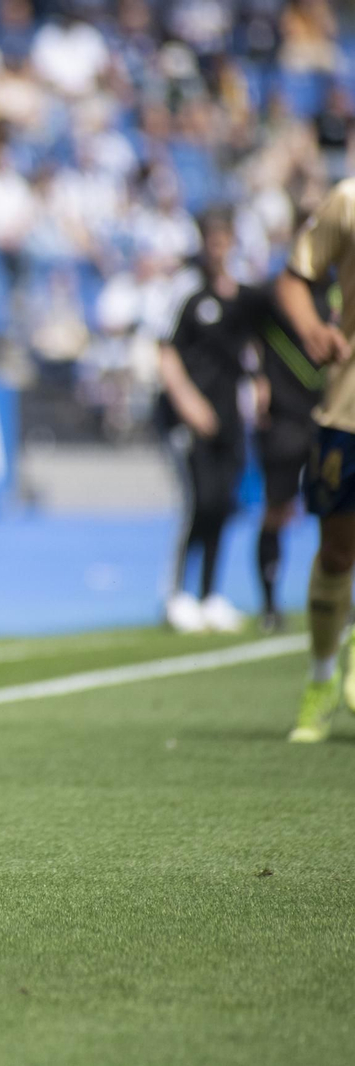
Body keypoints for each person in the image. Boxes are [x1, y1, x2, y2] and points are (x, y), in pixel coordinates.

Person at [157, 210, 268, 634]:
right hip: (192, 413)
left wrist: (258, 385)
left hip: (229, 412)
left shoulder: (242, 293)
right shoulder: (186, 290)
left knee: (223, 503)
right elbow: (166, 350)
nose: (219, 249)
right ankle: (178, 594)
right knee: (199, 502)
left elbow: (252, 347)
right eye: (212, 240)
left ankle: (210, 594)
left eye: (225, 240)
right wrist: (188, 402)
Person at [275, 178, 355, 742]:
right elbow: (294, 278)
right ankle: (322, 679)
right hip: (348, 409)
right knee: (337, 552)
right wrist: (310, 328)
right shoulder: (348, 201)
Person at [251, 275, 334, 633]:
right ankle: (270, 605)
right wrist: (255, 376)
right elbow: (240, 324)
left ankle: (337, 600)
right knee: (277, 510)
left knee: (339, 515)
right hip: (284, 420)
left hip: (331, 417)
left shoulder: (339, 289)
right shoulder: (274, 292)